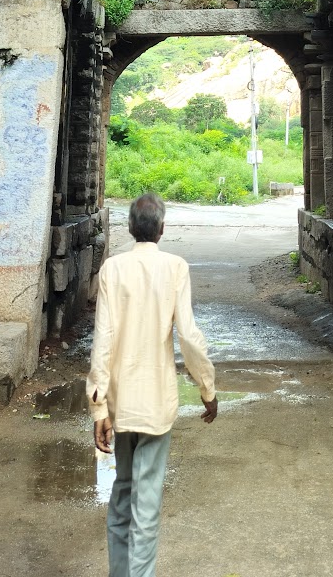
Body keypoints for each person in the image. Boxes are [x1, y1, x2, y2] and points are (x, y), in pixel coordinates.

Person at [87, 192, 217, 577]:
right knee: (146, 505)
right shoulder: (175, 268)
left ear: (130, 228)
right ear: (161, 230)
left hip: (120, 403)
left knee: (122, 493)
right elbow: (189, 337)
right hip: (156, 404)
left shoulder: (112, 269)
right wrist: (207, 389)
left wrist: (98, 406)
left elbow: (103, 340)